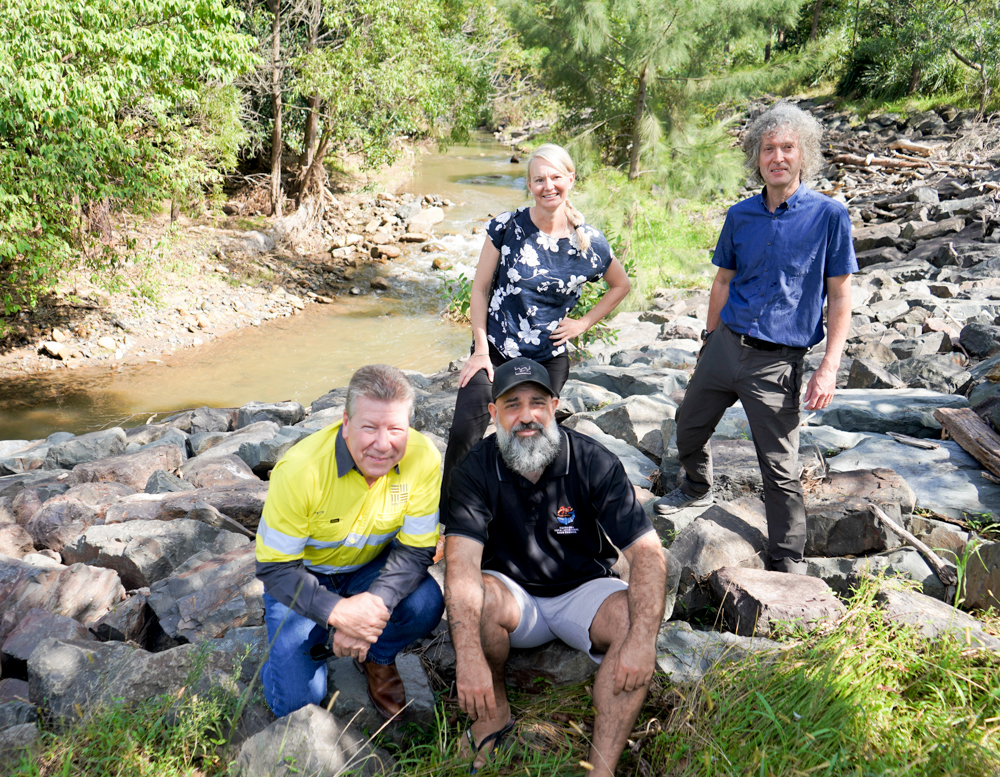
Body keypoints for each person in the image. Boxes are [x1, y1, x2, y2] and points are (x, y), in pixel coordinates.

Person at [654, 101, 857, 574]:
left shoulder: (829, 216)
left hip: (778, 363)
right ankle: (696, 486)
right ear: (757, 157)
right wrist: (709, 340)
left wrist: (828, 367)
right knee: (688, 426)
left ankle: (787, 558)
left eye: (787, 148)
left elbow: (840, 296)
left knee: (780, 469)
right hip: (726, 345)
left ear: (804, 155)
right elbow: (723, 281)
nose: (777, 157)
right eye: (768, 149)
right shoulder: (740, 215)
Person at [445, 358, 667, 776]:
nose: (526, 416)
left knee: (631, 621)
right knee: (477, 600)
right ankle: (493, 716)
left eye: (536, 402)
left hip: (585, 590)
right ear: (493, 413)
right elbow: (460, 567)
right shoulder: (474, 469)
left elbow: (647, 554)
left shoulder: (593, 461)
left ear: (554, 406)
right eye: (512, 405)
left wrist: (642, 640)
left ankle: (601, 769)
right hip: (513, 595)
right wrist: (468, 658)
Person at [439, 143, 631, 526]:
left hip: (547, 358)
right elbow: (479, 290)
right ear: (529, 185)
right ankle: (450, 522)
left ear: (570, 179)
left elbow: (620, 285)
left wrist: (582, 323)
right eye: (539, 179)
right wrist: (480, 350)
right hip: (496, 350)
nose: (548, 186)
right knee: (464, 431)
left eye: (556, 177)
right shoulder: (507, 227)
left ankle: (523, 520)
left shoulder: (589, 243)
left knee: (530, 436)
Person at [255, 364, 444, 719]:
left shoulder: (423, 459)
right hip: (303, 575)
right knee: (298, 705)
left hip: (368, 568)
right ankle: (286, 658)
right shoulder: (300, 471)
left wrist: (372, 608)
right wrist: (340, 614)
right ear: (345, 423)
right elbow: (275, 569)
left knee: (426, 603)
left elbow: (417, 549)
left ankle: (376, 655)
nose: (382, 445)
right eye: (369, 427)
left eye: (395, 429)